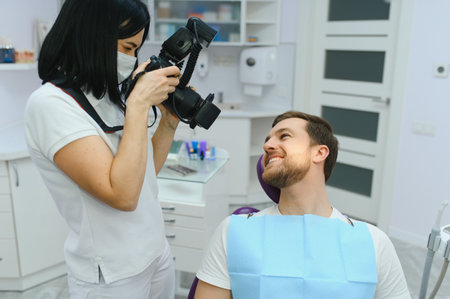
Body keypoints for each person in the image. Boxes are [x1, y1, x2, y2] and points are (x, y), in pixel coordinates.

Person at [24, 0, 181, 298]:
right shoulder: (51, 104)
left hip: (155, 251)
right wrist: (138, 105)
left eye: (136, 50)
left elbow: (143, 174)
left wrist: (169, 122)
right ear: (91, 36)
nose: (132, 59)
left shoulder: (109, 94)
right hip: (112, 273)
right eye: (127, 47)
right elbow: (121, 194)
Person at [194, 111, 411, 299]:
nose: (267, 145)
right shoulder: (232, 231)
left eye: (284, 136)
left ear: (319, 152)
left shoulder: (374, 243)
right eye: (268, 139)